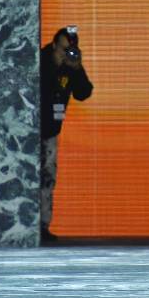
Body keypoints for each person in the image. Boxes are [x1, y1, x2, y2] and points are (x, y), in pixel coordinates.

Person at [40, 27, 94, 243]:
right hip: (27, 132)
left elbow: (84, 92)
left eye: (70, 50)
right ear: (53, 46)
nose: (66, 54)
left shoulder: (71, 67)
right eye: (63, 50)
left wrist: (76, 68)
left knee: (47, 179)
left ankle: (43, 226)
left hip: (51, 132)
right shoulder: (40, 61)